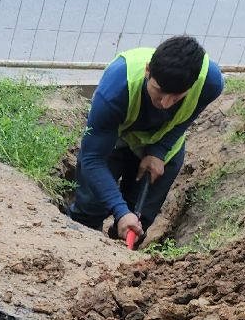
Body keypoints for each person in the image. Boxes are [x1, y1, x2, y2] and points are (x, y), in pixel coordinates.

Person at [67, 35, 225, 243]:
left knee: (139, 220)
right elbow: (93, 158)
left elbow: (186, 118)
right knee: (89, 209)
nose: (165, 103)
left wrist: (160, 150)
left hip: (164, 145)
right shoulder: (116, 89)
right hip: (115, 140)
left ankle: (122, 252)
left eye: (177, 97)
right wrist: (120, 211)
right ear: (147, 71)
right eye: (159, 91)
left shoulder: (210, 83)